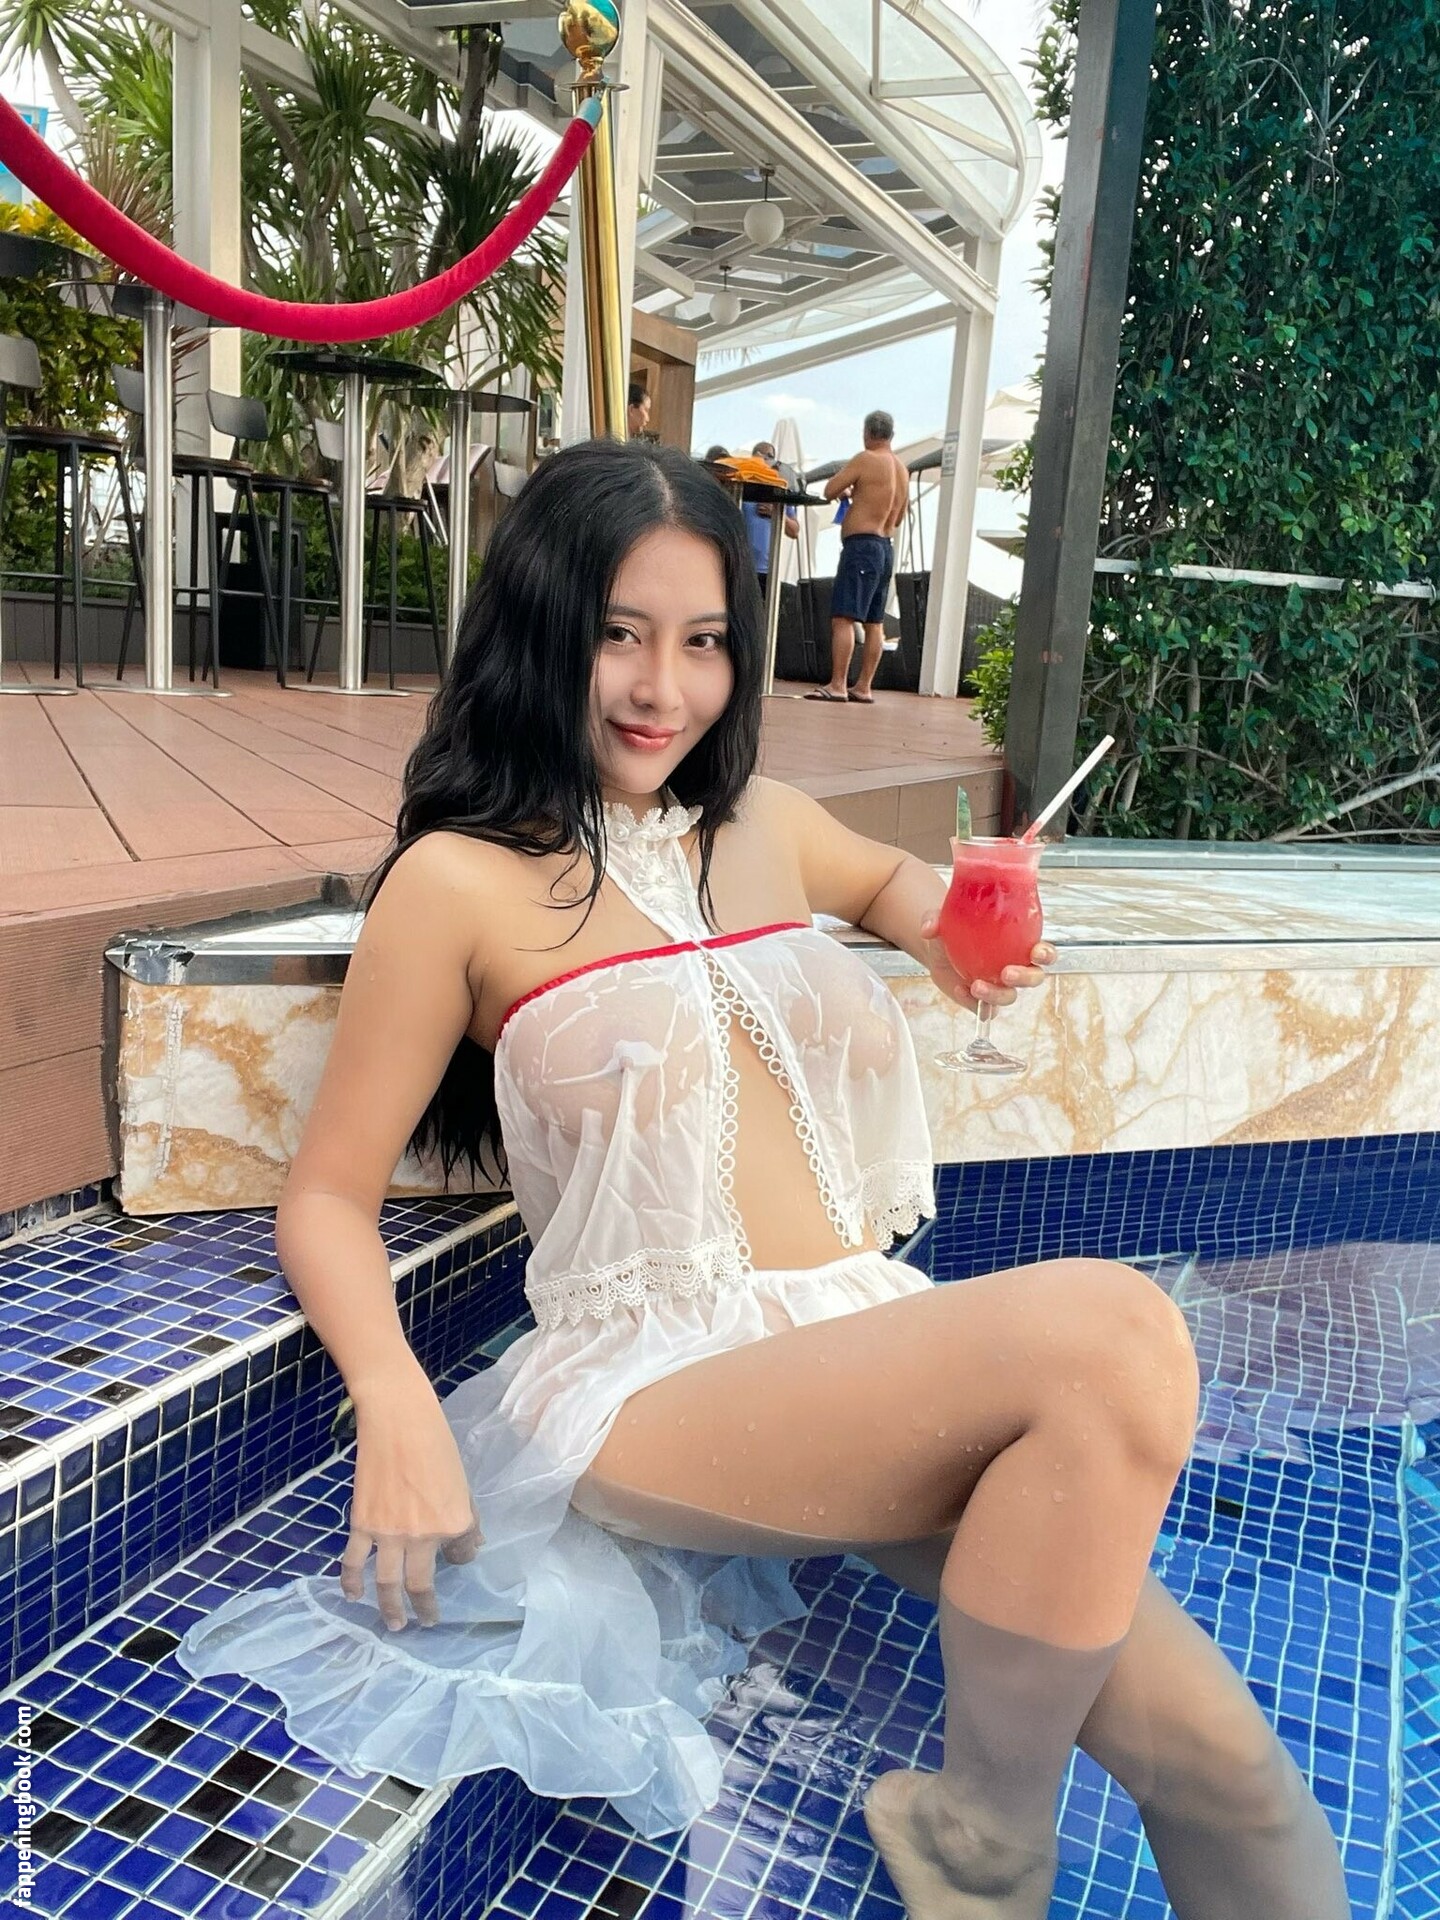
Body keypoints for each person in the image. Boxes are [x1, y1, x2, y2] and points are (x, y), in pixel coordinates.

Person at [181, 441, 1349, 1920]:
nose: (660, 688)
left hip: (850, 1346)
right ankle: (984, 1836)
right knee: (1116, 1336)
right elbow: (327, 1197)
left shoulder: (766, 825)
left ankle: (983, 1827)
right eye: (619, 634)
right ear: (541, 629)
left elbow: (904, 891)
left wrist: (952, 931)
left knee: (1239, 1781)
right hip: (650, 1377)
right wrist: (397, 1404)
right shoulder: (460, 884)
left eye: (704, 642)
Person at [808, 410, 909, 706]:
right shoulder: (902, 469)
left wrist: (850, 494)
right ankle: (864, 686)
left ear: (867, 433)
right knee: (874, 622)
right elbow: (898, 517)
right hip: (885, 547)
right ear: (891, 434)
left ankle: (838, 684)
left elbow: (829, 490)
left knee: (843, 618)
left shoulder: (866, 458)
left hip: (861, 547)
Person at [741, 438, 799, 597]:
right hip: (743, 568)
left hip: (769, 569)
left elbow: (794, 531)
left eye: (770, 457)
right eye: (762, 457)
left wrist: (775, 513)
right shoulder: (742, 489)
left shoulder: (780, 492)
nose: (767, 461)